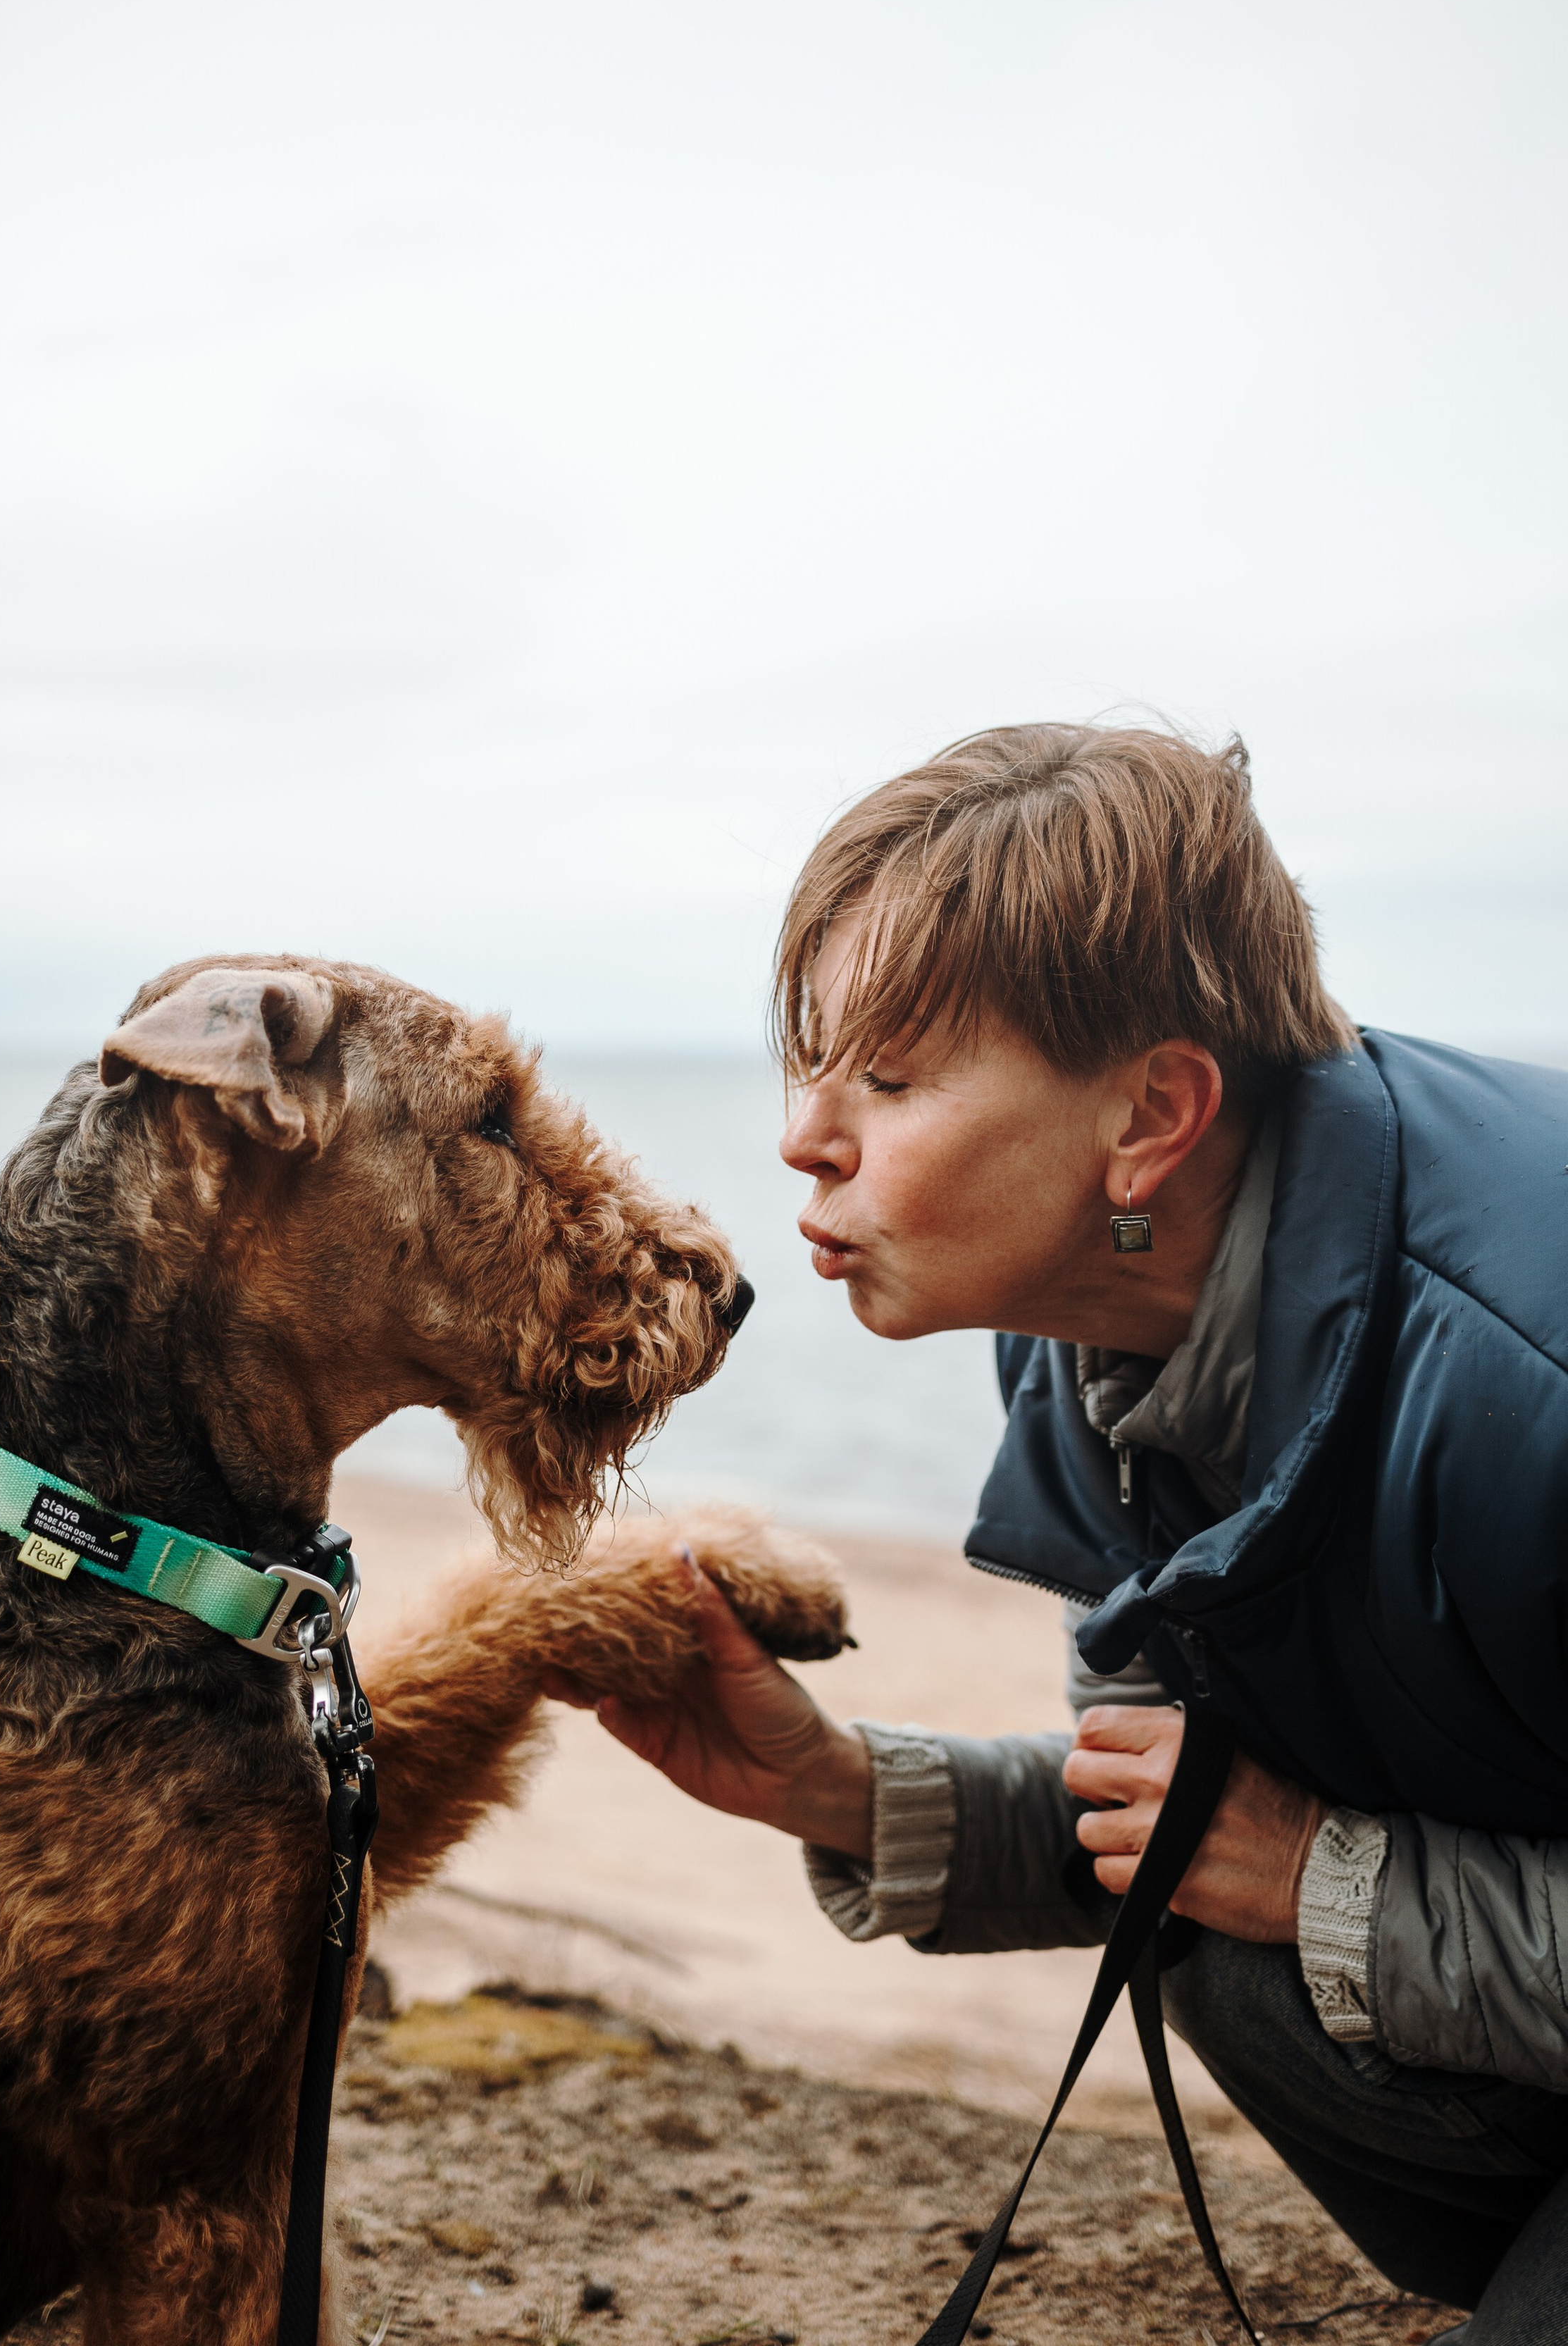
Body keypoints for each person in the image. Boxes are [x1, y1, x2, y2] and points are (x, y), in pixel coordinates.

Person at [560, 723, 1568, 2345]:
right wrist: (837, 1788)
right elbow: (1183, 1827)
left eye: (886, 1080)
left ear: (1150, 1115)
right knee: (1225, 1935)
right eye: (805, 1064)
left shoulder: (1529, 1372)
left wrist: (1328, 1880)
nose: (801, 1139)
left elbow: (1270, 1857)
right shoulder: (1087, 1331)